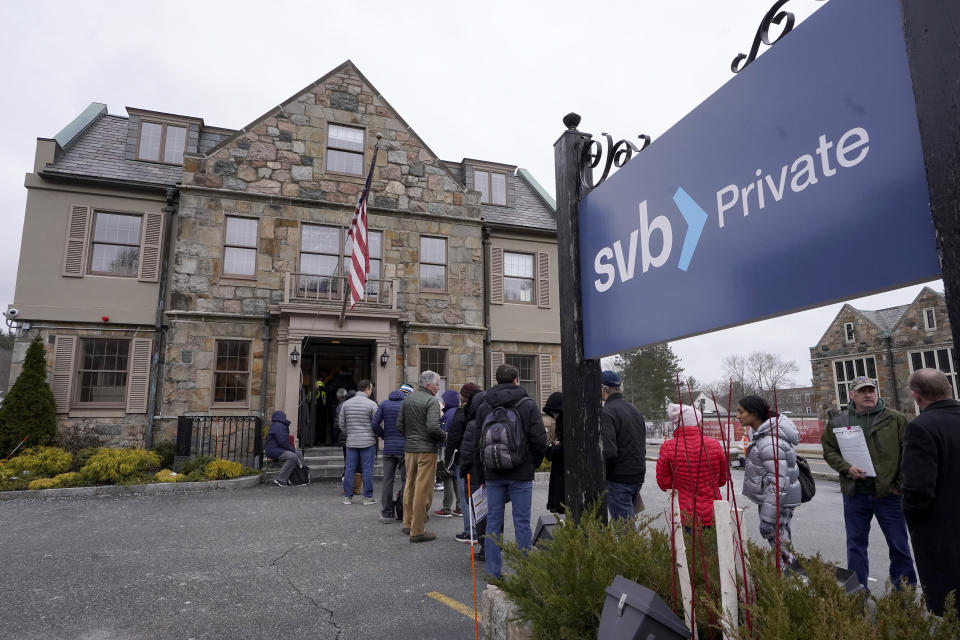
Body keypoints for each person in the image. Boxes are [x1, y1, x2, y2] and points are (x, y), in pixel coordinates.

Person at [821, 376, 916, 591]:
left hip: (889, 495)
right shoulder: (838, 421)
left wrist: (898, 485)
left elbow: (908, 454)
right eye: (862, 391)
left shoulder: (895, 419)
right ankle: (857, 593)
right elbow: (829, 450)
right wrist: (846, 468)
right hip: (855, 494)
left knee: (899, 546)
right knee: (856, 546)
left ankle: (905, 596)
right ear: (852, 395)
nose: (868, 395)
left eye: (871, 391)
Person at [474, 363, 547, 578]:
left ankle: (493, 573)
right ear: (517, 380)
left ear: (497, 380)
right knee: (522, 521)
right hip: (521, 471)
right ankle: (525, 573)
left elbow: (477, 442)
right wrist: (533, 464)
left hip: (493, 472)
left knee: (493, 522)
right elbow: (539, 440)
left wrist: (482, 474)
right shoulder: (527, 404)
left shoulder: (484, 405)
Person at [901, 368, 960, 617]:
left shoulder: (921, 428)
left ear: (916, 396)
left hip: (942, 534)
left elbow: (919, 488)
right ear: (948, 388)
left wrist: (913, 519)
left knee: (949, 608)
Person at [738, 396, 801, 564]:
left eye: (741, 412)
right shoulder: (762, 436)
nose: (738, 416)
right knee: (779, 542)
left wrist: (767, 518)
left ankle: (790, 581)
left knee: (781, 545)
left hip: (777, 500)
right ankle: (786, 577)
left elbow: (779, 483)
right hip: (773, 500)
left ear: (754, 413)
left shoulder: (768, 441)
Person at [656, 403, 728, 528]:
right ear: (697, 423)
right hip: (713, 512)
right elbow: (722, 480)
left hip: (684, 514)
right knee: (713, 546)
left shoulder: (668, 447)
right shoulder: (715, 445)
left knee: (687, 547)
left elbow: (664, 484)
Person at [396, 370, 446, 543]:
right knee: (422, 489)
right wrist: (444, 436)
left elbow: (399, 425)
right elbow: (433, 428)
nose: (439, 388)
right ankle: (417, 531)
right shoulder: (432, 401)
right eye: (437, 384)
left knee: (409, 485)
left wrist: (411, 437)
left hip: (410, 449)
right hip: (426, 450)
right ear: (428, 385)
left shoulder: (408, 399)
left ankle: (407, 523)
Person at [600, 370, 647, 520]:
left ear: (603, 388)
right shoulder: (634, 409)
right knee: (628, 525)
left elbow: (609, 452)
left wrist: (604, 475)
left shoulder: (607, 412)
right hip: (637, 475)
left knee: (625, 531)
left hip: (619, 479)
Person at [445, 382, 481, 543]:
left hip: (463, 458)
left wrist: (448, 461)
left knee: (466, 496)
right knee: (479, 496)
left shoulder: (461, 413)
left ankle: (469, 530)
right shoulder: (483, 411)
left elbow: (453, 438)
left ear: (464, 396)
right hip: (480, 459)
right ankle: (480, 530)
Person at [338, 379, 379, 505]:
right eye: (371, 389)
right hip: (368, 441)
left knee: (349, 469)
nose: (371, 391)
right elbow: (376, 423)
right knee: (367, 469)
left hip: (351, 441)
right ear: (367, 389)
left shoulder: (346, 404)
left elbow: (341, 423)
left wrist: (349, 433)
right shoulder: (372, 404)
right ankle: (368, 497)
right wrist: (372, 435)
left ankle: (348, 497)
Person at [372, 385, 408, 522]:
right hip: (404, 448)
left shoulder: (384, 404)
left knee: (387, 480)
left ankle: (387, 512)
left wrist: (385, 436)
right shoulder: (406, 405)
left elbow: (374, 424)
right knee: (406, 480)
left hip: (388, 449)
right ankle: (404, 511)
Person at [434, 389, 462, 518]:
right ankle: (460, 507)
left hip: (448, 449)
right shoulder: (459, 412)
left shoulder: (448, 415)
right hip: (459, 450)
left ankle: (446, 508)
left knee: (446, 476)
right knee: (456, 477)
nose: (443, 403)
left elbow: (443, 435)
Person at [265, 410, 303, 487]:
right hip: (273, 450)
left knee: (299, 453)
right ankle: (280, 480)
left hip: (279, 449)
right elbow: (283, 442)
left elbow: (284, 442)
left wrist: (293, 450)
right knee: (293, 457)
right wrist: (292, 450)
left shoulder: (280, 425)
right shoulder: (279, 426)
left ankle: (297, 478)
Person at [542, 392, 565, 514]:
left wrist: (555, 447)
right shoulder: (558, 426)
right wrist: (553, 447)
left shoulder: (566, 425)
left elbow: (558, 449)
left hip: (564, 476)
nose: (554, 416)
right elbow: (550, 451)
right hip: (559, 473)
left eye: (556, 413)